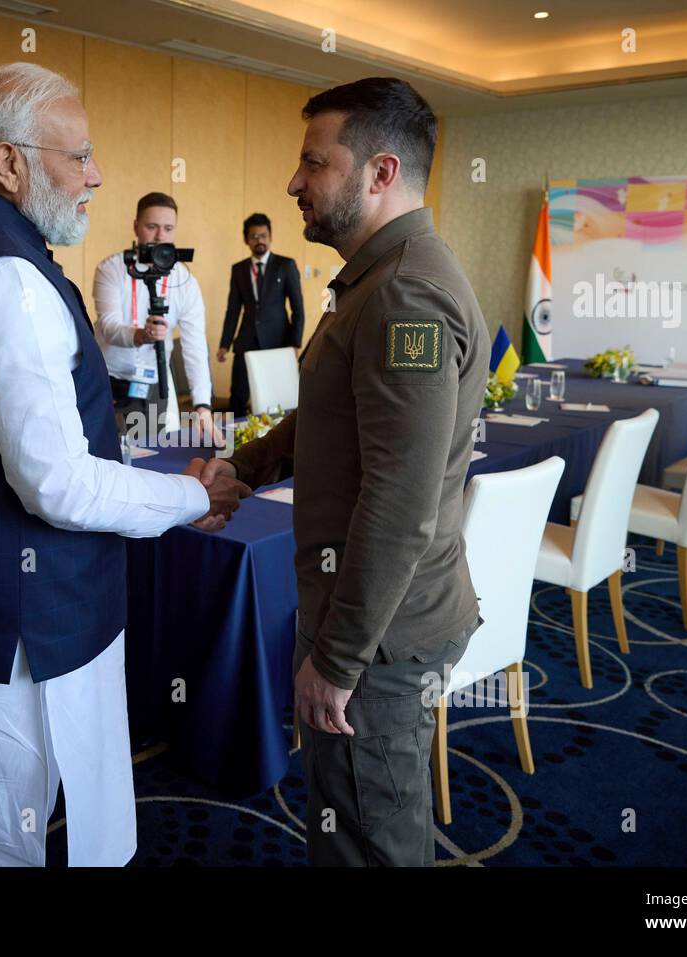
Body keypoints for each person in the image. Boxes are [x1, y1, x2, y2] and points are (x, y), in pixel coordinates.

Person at [0, 62, 249, 868]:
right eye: (78, 155)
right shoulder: (7, 274)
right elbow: (58, 483)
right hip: (12, 631)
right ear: (9, 163)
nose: (96, 174)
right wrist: (188, 495)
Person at [200, 76, 488, 866]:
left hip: (381, 643)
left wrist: (338, 659)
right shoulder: (374, 279)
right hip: (373, 624)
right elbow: (332, 416)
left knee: (371, 840)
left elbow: (402, 502)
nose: (293, 182)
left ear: (380, 173)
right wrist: (243, 467)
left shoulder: (407, 297)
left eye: (313, 163)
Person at [92, 192, 217, 441]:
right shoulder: (112, 269)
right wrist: (140, 335)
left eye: (168, 228)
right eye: (152, 227)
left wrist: (202, 404)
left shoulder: (185, 280)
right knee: (108, 455)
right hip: (109, 378)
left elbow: (195, 346)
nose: (160, 236)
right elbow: (108, 326)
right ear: (136, 226)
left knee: (152, 451)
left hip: (155, 380)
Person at [218, 213, 305, 416]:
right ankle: (234, 444)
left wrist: (295, 343)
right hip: (246, 341)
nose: (260, 240)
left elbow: (298, 309)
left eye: (264, 235)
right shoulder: (238, 269)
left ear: (270, 237)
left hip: (278, 343)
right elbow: (233, 310)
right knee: (238, 396)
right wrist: (225, 344)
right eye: (254, 236)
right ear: (246, 240)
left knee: (276, 398)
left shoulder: (285, 265)